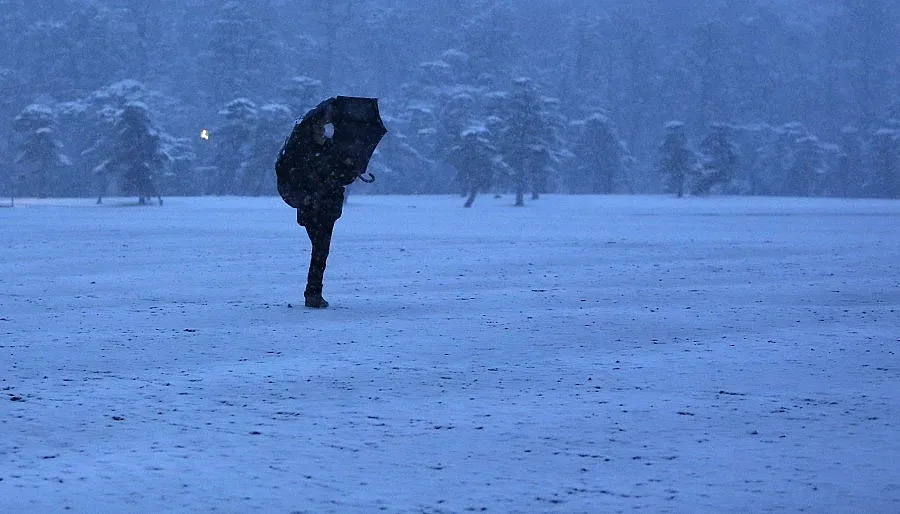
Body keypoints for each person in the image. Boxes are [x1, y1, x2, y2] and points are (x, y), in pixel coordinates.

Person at [292, 104, 354, 308]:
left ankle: (313, 293)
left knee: (320, 250)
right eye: (317, 130)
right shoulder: (303, 154)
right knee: (320, 250)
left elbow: (344, 178)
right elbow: (301, 181)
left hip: (327, 209)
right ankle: (313, 293)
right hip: (312, 209)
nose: (321, 133)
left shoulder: (332, 151)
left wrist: (348, 166)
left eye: (322, 129)